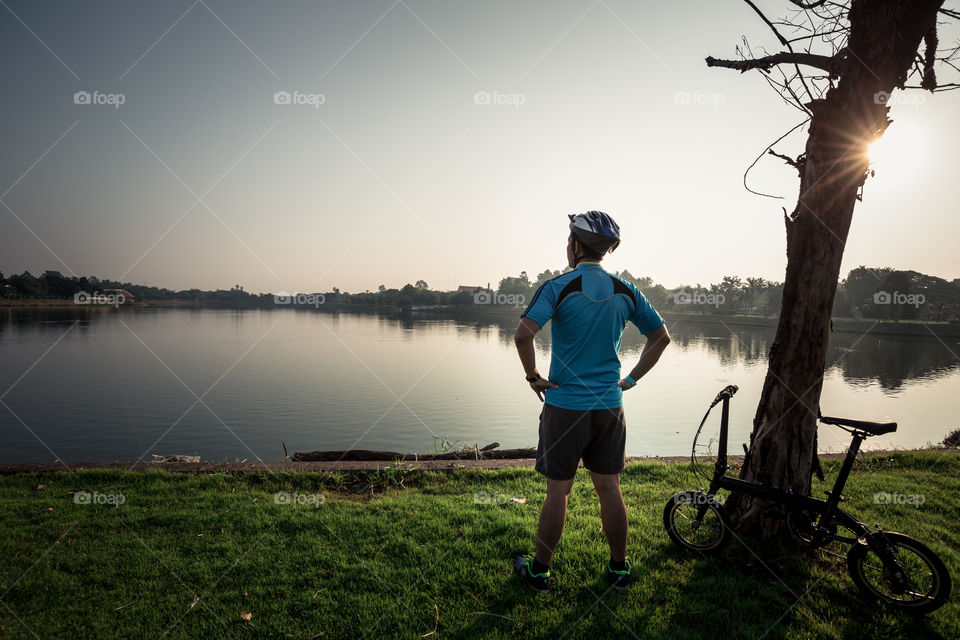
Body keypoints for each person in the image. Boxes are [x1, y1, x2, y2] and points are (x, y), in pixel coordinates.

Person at [512, 211, 671, 593]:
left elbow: (522, 335)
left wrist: (534, 377)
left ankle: (540, 572)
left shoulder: (558, 286)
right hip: (609, 406)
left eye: (569, 240)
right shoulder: (626, 289)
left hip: (566, 406)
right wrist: (630, 380)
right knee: (610, 488)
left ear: (577, 245)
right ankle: (618, 570)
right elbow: (661, 337)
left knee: (558, 492)